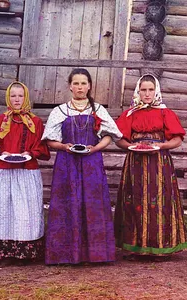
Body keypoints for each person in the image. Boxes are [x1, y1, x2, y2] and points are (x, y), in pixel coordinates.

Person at [42, 68, 123, 265]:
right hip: (67, 164)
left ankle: (96, 254)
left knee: (92, 203)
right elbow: (50, 141)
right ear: (70, 86)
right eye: (76, 83)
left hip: (91, 164)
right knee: (67, 203)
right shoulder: (59, 111)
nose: (80, 87)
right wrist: (64, 146)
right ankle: (65, 254)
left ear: (89, 86)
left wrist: (95, 149)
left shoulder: (98, 110)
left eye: (83, 83)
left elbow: (109, 136)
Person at [114, 74, 187, 260]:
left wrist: (161, 146)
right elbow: (119, 139)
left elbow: (177, 139)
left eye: (151, 90)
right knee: (135, 200)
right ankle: (135, 247)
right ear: (138, 91)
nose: (147, 94)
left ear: (156, 91)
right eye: (144, 90)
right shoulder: (130, 114)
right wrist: (131, 146)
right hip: (136, 163)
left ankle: (161, 246)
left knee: (159, 201)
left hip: (158, 163)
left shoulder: (165, 113)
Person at [0, 81, 50, 265]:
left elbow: (42, 148)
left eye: (20, 96)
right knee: (2, 210)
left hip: (26, 173)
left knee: (26, 211)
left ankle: (24, 253)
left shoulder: (35, 122)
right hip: (3, 172)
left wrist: (30, 153)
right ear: (8, 98)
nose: (17, 99)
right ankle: (3, 253)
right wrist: (0, 153)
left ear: (26, 97)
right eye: (13, 96)